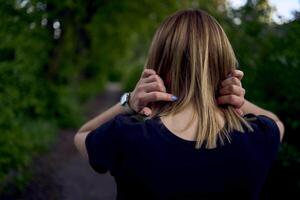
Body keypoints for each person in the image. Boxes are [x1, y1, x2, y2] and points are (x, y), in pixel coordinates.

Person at [74, 9, 284, 200]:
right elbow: (277, 122)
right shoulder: (258, 136)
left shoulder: (127, 135)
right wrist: (238, 99)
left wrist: (129, 103)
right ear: (223, 65)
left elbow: (82, 134)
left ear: (158, 65)